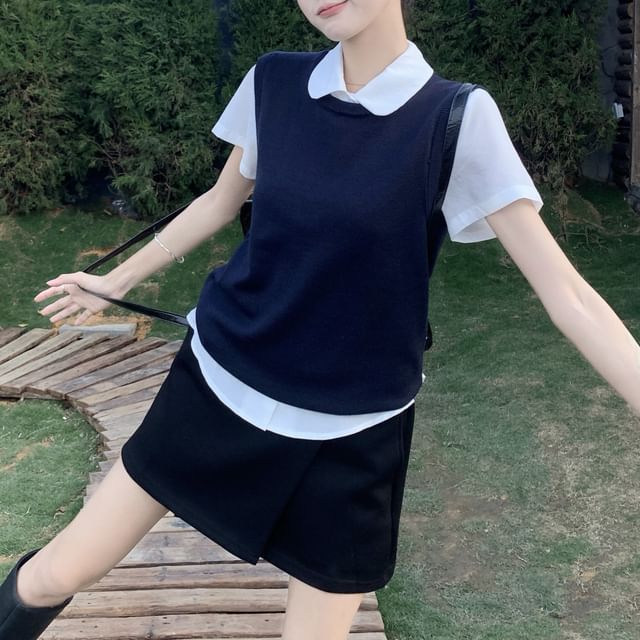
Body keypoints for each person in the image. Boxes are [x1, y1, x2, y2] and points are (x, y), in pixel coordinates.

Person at [2, 1, 639, 638]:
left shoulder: (457, 117)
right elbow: (222, 200)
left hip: (355, 430)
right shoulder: (274, 81)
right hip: (219, 386)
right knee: (57, 573)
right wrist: (115, 281)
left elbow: (569, 295)